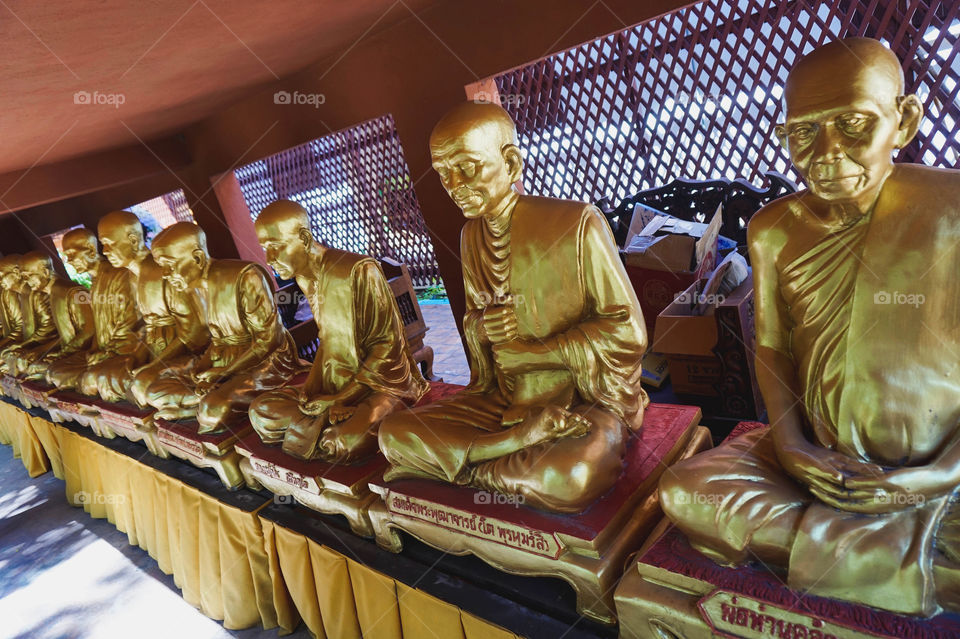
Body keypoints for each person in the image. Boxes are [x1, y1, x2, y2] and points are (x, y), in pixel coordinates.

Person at [660, 37, 960, 616]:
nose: (825, 152)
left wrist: (934, 476)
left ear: (904, 121)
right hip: (816, 462)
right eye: (802, 132)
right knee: (685, 489)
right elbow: (772, 344)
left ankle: (839, 546)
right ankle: (898, 558)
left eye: (852, 125)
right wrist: (794, 448)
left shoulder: (950, 209)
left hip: (941, 476)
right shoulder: (774, 228)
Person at [377, 101, 648, 513]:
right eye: (443, 172)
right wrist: (480, 328)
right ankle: (509, 448)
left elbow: (628, 330)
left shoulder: (576, 223)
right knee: (392, 433)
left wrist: (536, 353)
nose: (452, 184)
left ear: (510, 162)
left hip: (577, 402)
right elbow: (474, 324)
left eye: (466, 167)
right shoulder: (471, 236)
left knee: (570, 476)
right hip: (504, 399)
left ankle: (463, 464)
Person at [248, 200, 428, 461]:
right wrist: (310, 391)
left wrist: (344, 397)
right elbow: (328, 340)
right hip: (335, 382)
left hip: (379, 384)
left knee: (344, 443)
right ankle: (324, 422)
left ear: (305, 238)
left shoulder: (357, 270)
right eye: (265, 249)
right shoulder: (304, 277)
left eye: (276, 247)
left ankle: (328, 425)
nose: (269, 260)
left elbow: (387, 345)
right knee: (260, 411)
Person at [143, 222, 306, 434]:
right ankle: (200, 406)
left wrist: (224, 373)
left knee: (214, 409)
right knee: (152, 390)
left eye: (169, 264)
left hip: (264, 361)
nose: (164, 274)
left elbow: (269, 340)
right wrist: (203, 368)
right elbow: (218, 341)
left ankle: (200, 409)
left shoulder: (245, 276)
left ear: (198, 259)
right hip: (223, 360)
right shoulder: (193, 288)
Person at [46, 228, 142, 397]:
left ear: (90, 250)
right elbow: (99, 326)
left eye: (71, 253)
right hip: (106, 351)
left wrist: (108, 352)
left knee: (85, 379)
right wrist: (95, 349)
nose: (68, 260)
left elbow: (131, 321)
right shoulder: (95, 281)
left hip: (125, 351)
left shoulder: (120, 274)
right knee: (55, 372)